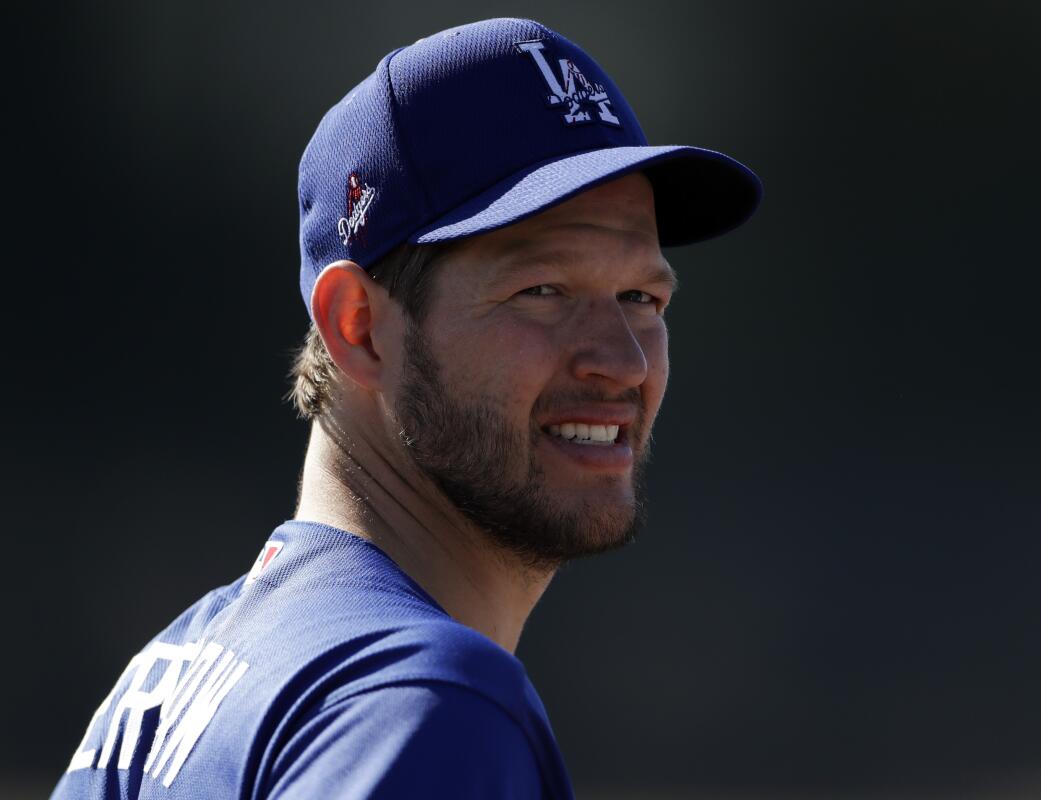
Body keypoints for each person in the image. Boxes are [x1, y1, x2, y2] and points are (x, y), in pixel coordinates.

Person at [51, 17, 761, 799]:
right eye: (543, 291)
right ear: (359, 326)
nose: (624, 361)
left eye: (641, 297)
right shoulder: (426, 703)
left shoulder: (165, 685)